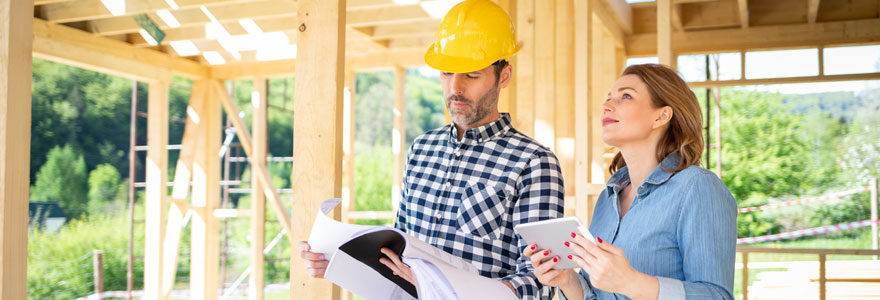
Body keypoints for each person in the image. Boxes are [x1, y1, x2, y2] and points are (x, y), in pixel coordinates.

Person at [299, 0, 565, 298]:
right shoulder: (422, 149)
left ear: (504, 76)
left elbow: (541, 281)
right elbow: (397, 256)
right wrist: (340, 261)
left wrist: (445, 288)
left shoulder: (533, 163)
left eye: (471, 75)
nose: (455, 88)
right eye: (446, 73)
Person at [524, 64, 737, 300]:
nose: (606, 106)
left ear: (661, 116)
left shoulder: (698, 188)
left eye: (626, 96)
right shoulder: (609, 197)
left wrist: (631, 282)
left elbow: (717, 296)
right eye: (608, 98)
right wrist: (567, 280)